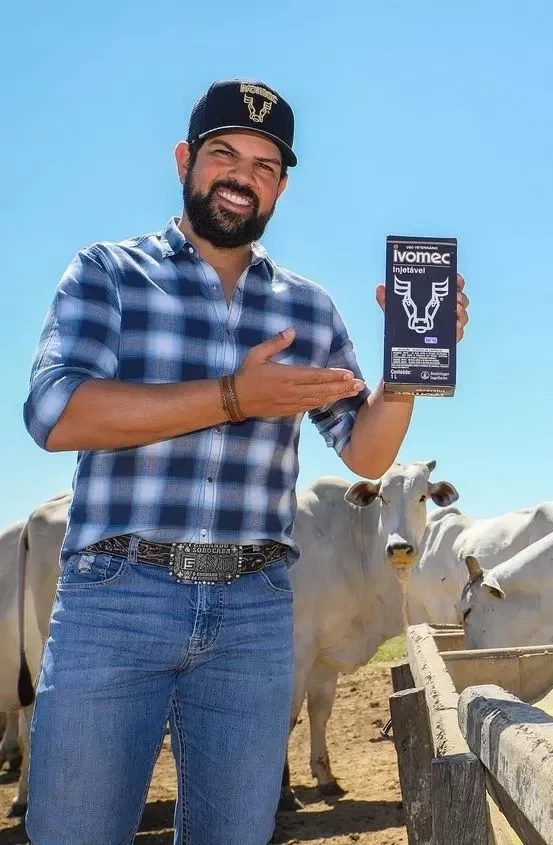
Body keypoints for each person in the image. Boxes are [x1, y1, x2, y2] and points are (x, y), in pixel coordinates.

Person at [20, 78, 470, 845]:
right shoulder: (108, 273)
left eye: (265, 165)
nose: (242, 175)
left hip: (257, 609)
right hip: (115, 597)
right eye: (224, 153)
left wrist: (411, 367)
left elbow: (366, 449)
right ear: (184, 160)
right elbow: (56, 413)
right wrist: (235, 395)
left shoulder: (309, 308)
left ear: (282, 187)